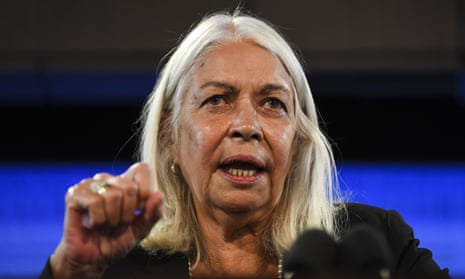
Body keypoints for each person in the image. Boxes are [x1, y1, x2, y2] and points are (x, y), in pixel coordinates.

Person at [39, 9, 450, 279]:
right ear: (169, 137)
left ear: (298, 142)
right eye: (217, 100)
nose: (247, 125)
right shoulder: (114, 267)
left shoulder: (375, 248)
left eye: (273, 103)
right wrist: (70, 269)